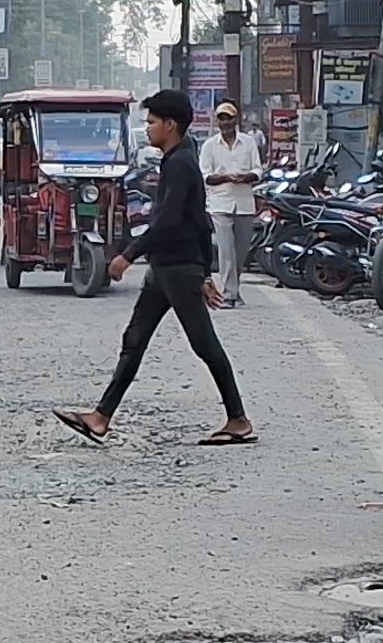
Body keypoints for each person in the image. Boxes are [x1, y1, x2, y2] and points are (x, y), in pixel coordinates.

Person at [55, 91, 252, 446]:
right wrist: (206, 272)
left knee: (205, 344)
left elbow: (170, 222)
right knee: (134, 340)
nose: (147, 129)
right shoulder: (178, 158)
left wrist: (128, 255)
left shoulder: (181, 164)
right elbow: (199, 222)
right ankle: (101, 417)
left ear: (170, 125)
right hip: (165, 270)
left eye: (151, 122)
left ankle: (238, 419)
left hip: (177, 269)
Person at [200, 100, 268, 309]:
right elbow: (205, 176)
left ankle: (234, 289)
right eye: (222, 118)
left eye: (228, 118)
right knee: (226, 250)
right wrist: (226, 177)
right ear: (217, 121)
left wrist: (245, 176)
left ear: (235, 120)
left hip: (244, 203)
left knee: (240, 251)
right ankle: (229, 294)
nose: (225, 122)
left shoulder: (248, 143)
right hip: (220, 203)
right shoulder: (209, 146)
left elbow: (258, 170)